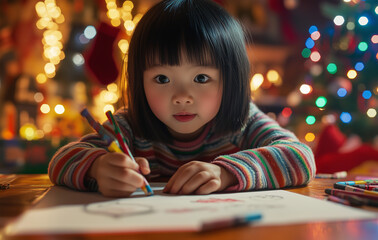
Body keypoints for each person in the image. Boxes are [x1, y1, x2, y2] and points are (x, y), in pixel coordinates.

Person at [48, 0, 316, 197]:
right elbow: (61, 161)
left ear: (230, 79)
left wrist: (225, 174)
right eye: (162, 79)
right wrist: (98, 167)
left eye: (201, 78)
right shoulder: (129, 126)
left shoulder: (243, 121)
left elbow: (301, 157)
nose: (182, 97)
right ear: (139, 80)